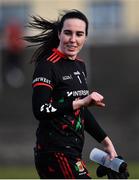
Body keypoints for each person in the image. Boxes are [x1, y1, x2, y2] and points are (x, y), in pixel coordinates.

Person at [25, 10, 118, 179]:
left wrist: (107, 143)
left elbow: (80, 111)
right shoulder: (47, 65)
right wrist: (81, 102)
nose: (73, 39)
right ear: (59, 34)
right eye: (68, 33)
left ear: (85, 38)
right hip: (55, 152)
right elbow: (40, 110)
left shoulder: (79, 66)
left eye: (79, 34)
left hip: (71, 152)